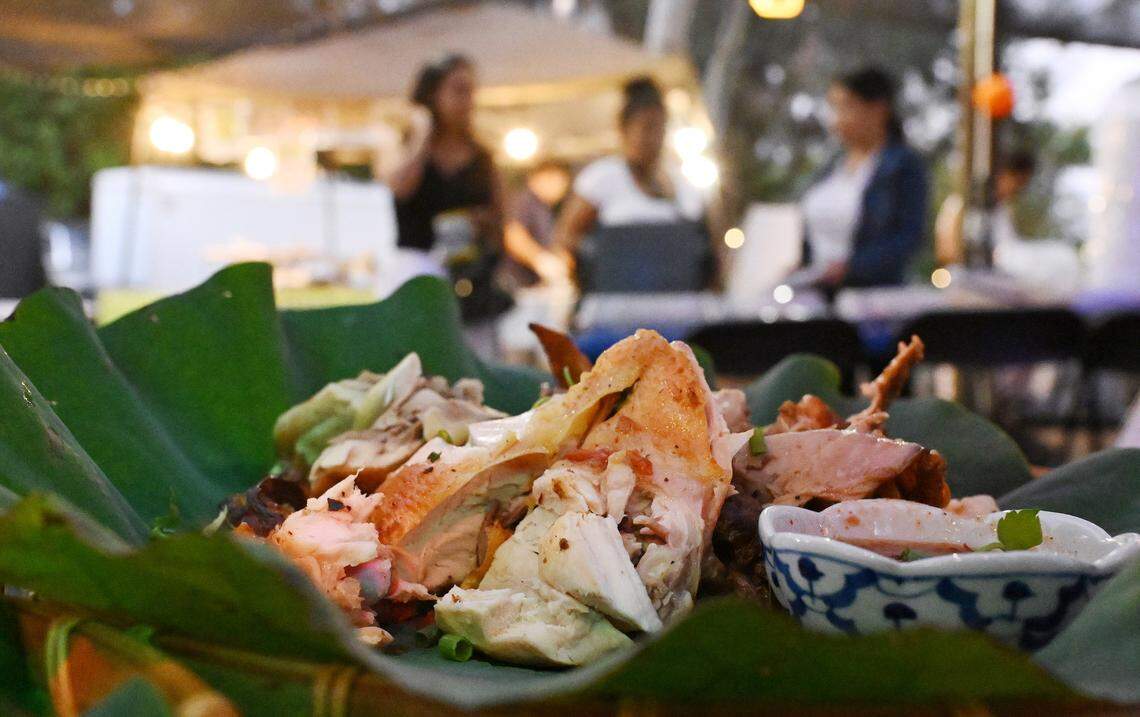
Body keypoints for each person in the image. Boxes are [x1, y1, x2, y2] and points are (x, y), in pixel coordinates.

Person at [387, 54, 510, 343]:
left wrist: (481, 223)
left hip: (469, 280)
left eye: (471, 92)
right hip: (418, 274)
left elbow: (501, 217)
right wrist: (422, 132)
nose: (467, 101)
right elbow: (399, 188)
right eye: (458, 90)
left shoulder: (482, 157)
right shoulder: (406, 147)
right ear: (433, 94)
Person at [553, 76, 707, 267]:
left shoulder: (679, 181)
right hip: (618, 291)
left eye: (661, 128)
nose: (655, 138)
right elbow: (565, 236)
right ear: (624, 129)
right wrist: (603, 255)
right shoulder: (603, 178)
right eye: (647, 128)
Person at [798, 67, 929, 289]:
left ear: (878, 109)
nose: (836, 120)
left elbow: (908, 237)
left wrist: (851, 268)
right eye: (834, 108)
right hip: (814, 291)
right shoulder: (830, 168)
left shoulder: (902, 165)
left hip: (869, 296)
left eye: (845, 107)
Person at [503, 160, 572, 287]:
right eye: (560, 182)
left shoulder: (545, 207)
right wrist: (541, 260)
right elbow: (514, 236)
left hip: (538, 284)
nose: (562, 190)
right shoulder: (525, 201)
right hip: (519, 283)